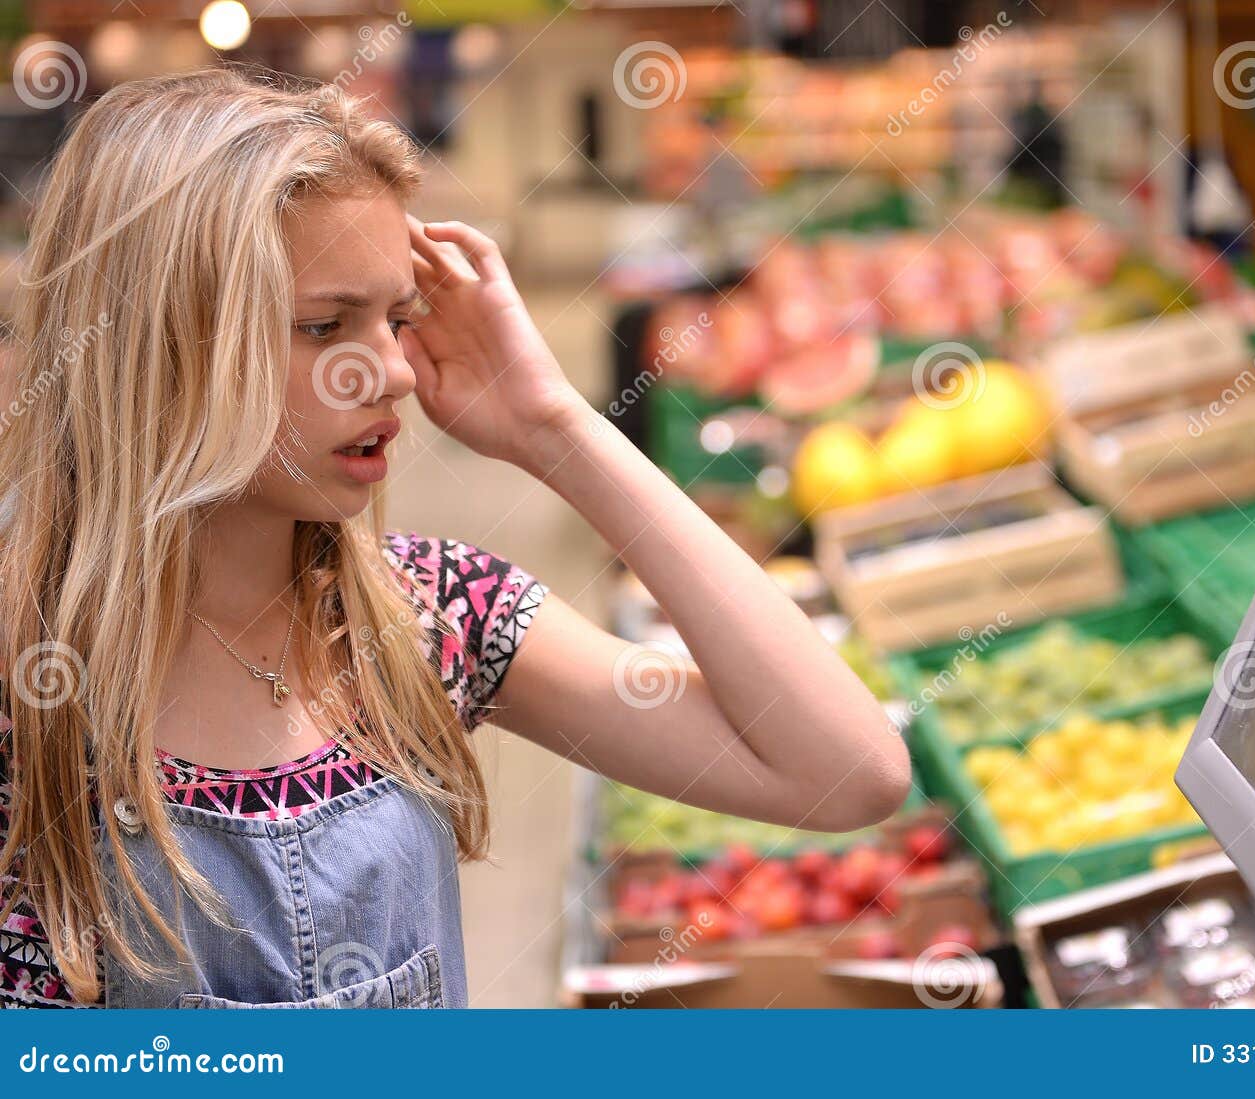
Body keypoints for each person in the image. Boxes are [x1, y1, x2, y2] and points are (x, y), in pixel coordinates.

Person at [0, 69, 908, 1009]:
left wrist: (558, 428)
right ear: (158, 343)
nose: (393, 370)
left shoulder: (426, 617)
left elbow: (848, 773)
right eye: (326, 325)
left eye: (399, 319)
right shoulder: (28, 696)